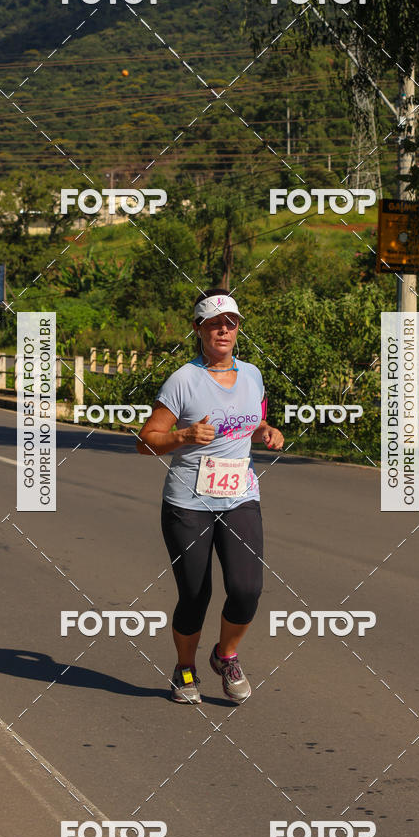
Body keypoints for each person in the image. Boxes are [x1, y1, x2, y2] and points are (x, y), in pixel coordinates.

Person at [137, 289, 284, 705]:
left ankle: (226, 655)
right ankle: (185, 670)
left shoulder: (252, 374)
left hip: (240, 495)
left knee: (246, 589)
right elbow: (146, 441)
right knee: (195, 595)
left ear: (238, 329)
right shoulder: (183, 380)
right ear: (198, 329)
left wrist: (266, 431)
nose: (223, 329)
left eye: (230, 323)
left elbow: (254, 421)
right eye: (214, 323)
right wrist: (183, 435)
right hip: (188, 502)